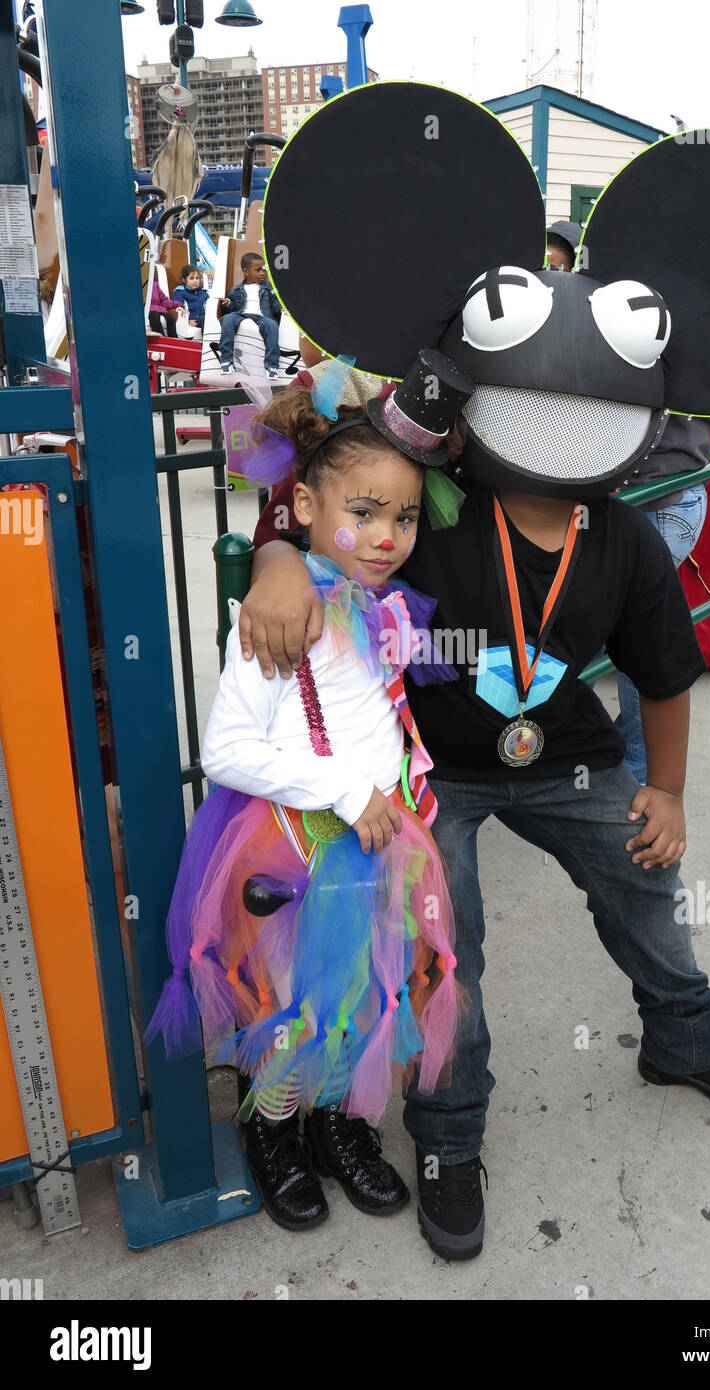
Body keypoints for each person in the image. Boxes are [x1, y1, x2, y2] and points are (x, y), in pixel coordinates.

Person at [243, 79, 710, 1264]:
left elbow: (664, 674)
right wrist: (272, 552)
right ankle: (451, 1126)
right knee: (443, 931)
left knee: (648, 892)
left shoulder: (618, 537)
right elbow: (289, 465)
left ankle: (683, 1033)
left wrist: (665, 791)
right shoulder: (432, 502)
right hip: (435, 773)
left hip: (566, 758)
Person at [146, 353, 474, 1233]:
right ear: (305, 510)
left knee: (363, 996)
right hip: (289, 849)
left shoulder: (390, 612)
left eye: (402, 516)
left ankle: (340, 1127)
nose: (384, 535)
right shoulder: (276, 619)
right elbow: (227, 749)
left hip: (375, 847)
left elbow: (391, 720)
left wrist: (402, 794)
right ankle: (276, 1135)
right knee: (288, 1011)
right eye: (362, 512)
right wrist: (339, 783)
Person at [611, 412, 710, 782]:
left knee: (638, 641)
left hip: (655, 499)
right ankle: (629, 757)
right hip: (669, 495)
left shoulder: (665, 356)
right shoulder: (702, 359)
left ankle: (635, 770)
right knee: (633, 634)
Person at [218, 252, 282, 379]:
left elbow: (275, 304)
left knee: (272, 325)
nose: (262, 273)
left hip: (263, 316)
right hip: (242, 314)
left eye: (264, 269)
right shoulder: (236, 290)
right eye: (258, 270)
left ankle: (271, 365)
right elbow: (233, 309)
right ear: (245, 272)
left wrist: (281, 308)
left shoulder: (269, 288)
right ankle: (226, 360)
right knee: (227, 319)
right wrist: (227, 303)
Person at [173, 263, 208, 329]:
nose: (195, 281)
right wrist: (187, 320)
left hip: (205, 317)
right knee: (206, 321)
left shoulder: (203, 293)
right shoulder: (180, 292)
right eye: (191, 278)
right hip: (193, 320)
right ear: (184, 280)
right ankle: (207, 339)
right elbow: (178, 305)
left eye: (197, 278)